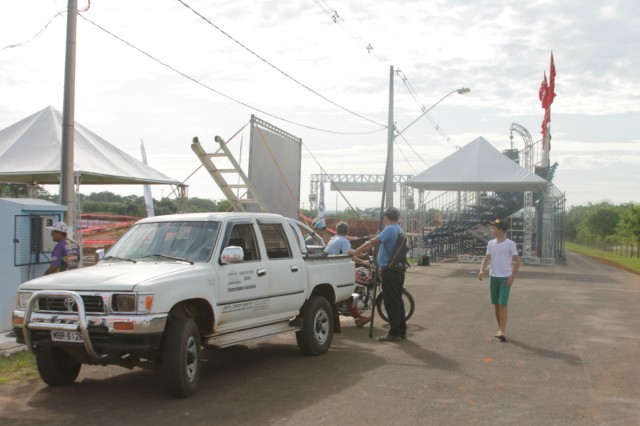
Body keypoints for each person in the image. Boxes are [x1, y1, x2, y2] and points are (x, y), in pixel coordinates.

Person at [349, 207, 407, 341]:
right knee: (397, 301)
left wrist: (356, 252)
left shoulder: (390, 229)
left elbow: (372, 242)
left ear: (386, 217)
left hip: (389, 270)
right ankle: (401, 330)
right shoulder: (399, 229)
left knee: (391, 302)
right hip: (398, 270)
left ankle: (394, 333)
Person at [478, 218, 521, 342]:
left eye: (494, 228)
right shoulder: (491, 243)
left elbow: (518, 261)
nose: (492, 230)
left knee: (503, 304)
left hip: (505, 278)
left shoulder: (510, 244)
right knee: (496, 304)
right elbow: (486, 258)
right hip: (494, 277)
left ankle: (502, 330)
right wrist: (482, 270)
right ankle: (500, 329)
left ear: (501, 230)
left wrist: (512, 277)